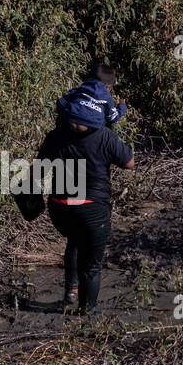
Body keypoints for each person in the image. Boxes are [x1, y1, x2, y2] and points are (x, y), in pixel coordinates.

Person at [36, 86, 134, 314]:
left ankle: (71, 291)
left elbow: (36, 173)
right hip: (92, 211)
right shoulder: (104, 137)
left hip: (60, 210)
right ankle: (86, 313)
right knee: (92, 265)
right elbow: (129, 163)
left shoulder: (55, 136)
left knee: (75, 239)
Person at [55, 63, 128, 128]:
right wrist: (122, 106)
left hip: (70, 122)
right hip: (91, 128)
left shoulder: (79, 89)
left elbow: (61, 103)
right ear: (109, 86)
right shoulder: (107, 97)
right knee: (109, 132)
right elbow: (113, 117)